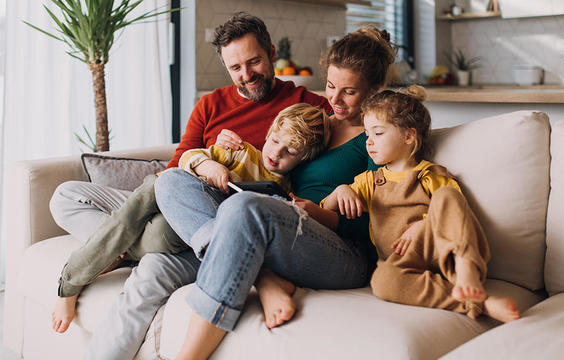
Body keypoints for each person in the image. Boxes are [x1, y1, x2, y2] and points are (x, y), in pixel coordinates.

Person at [48, 12, 330, 359]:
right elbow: (173, 171)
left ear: (271, 53)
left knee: (147, 276)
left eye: (254, 61)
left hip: (227, 228)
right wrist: (208, 160)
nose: (246, 75)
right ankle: (121, 246)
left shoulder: (308, 108)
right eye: (235, 68)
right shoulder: (211, 104)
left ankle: (118, 247)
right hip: (181, 202)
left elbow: (346, 142)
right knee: (67, 196)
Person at [153, 26, 396, 359]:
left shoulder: (377, 137)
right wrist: (224, 153)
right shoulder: (317, 120)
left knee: (244, 207)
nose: (334, 101)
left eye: (349, 92)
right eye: (329, 87)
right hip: (286, 226)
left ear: (374, 89)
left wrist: (322, 211)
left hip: (344, 252)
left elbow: (380, 224)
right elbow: (274, 160)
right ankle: (264, 277)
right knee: (170, 181)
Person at [50, 103, 329, 334]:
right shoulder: (241, 152)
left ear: (304, 158)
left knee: (158, 233)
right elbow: (188, 157)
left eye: (289, 152)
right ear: (269, 133)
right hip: (159, 191)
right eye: (275, 141)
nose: (276, 153)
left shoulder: (283, 194)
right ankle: (82, 274)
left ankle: (103, 257)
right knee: (70, 197)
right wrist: (210, 165)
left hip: (180, 227)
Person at [322, 86, 521, 323]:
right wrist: (340, 190)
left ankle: (467, 267)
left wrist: (424, 225)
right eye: (367, 135)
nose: (369, 142)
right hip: (403, 262)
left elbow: (457, 212)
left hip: (442, 252)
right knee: (382, 281)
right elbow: (326, 208)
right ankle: (479, 303)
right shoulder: (369, 181)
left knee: (447, 194)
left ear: (408, 136)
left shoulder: (429, 174)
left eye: (378, 133)